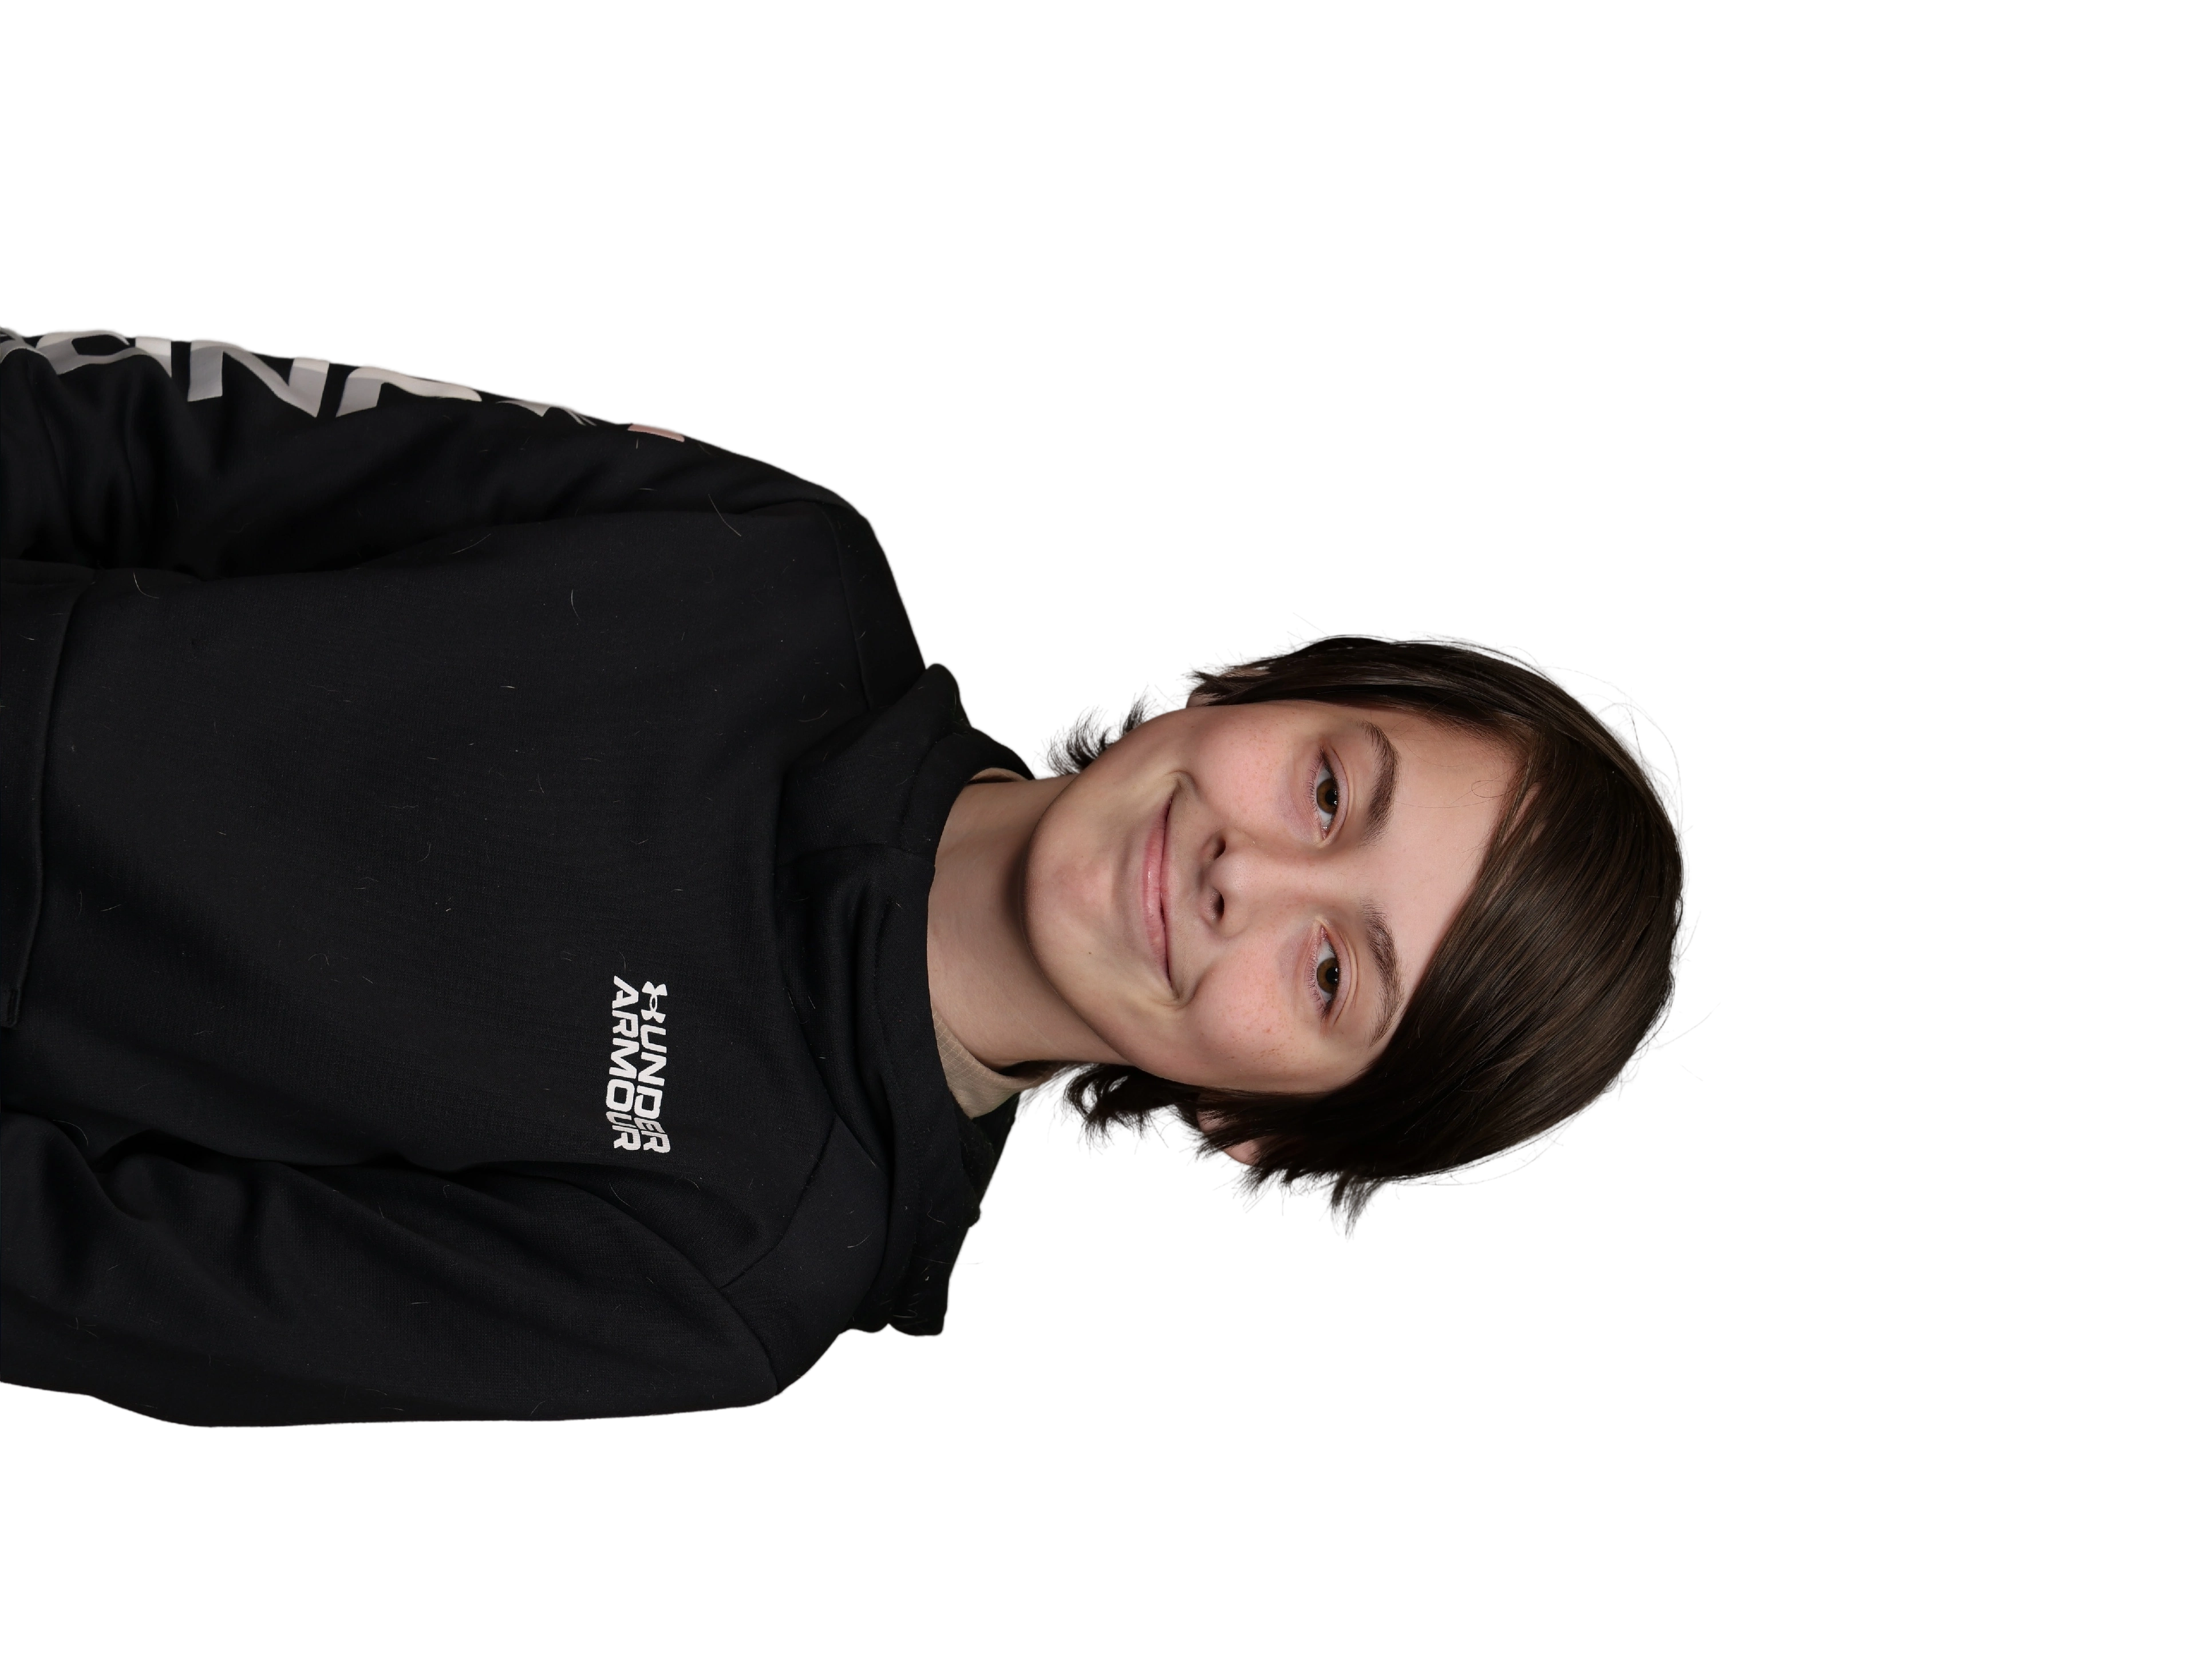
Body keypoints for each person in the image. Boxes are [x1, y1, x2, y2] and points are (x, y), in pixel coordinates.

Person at [0, 326, 1707, 1428]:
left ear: (1266, 1134)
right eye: (1331, 789)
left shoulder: (731, 1273)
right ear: (1261, 684)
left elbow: (83, 1280)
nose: (1246, 874)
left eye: (1334, 974)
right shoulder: (776, 566)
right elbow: (151, 433)